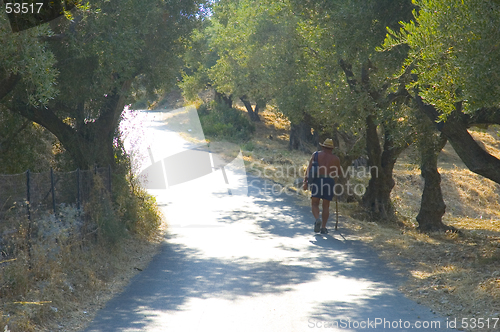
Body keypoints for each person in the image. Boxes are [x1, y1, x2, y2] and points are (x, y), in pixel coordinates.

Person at [303, 138, 341, 234]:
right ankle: (323, 227)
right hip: (329, 181)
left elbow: (309, 169)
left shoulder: (316, 155)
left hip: (318, 180)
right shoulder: (336, 159)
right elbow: (338, 173)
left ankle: (317, 219)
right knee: (326, 206)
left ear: (323, 146)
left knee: (315, 203)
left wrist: (305, 182)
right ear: (332, 149)